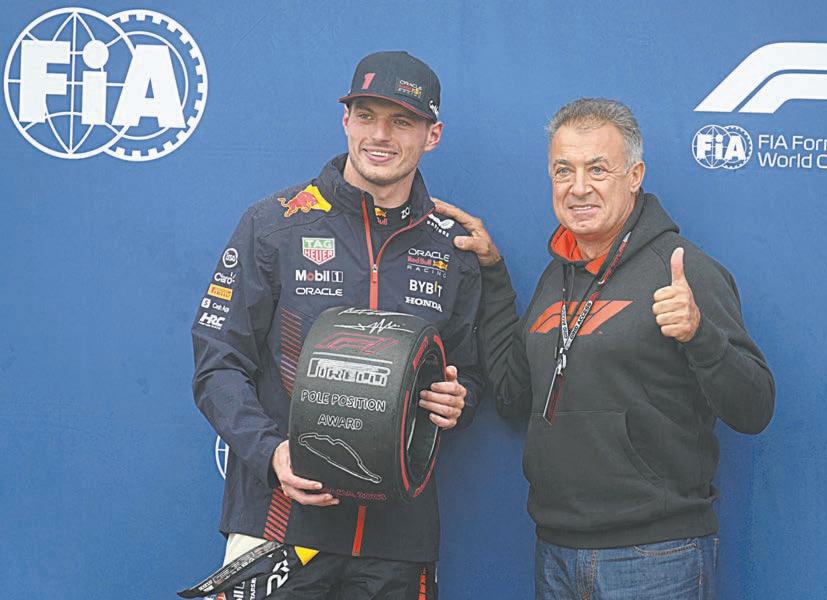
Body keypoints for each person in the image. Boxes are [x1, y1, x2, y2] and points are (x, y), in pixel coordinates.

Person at [434, 98, 774, 599]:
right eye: (563, 170)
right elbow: (511, 395)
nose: (578, 187)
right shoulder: (556, 279)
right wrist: (493, 274)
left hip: (655, 557)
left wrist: (700, 334)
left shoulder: (683, 270)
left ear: (634, 176)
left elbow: (755, 408)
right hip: (556, 550)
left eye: (598, 169)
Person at [187, 51, 483, 600]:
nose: (380, 135)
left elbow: (470, 374)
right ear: (346, 120)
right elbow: (218, 364)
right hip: (279, 527)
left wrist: (457, 400)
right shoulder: (274, 224)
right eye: (366, 115)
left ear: (432, 135)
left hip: (398, 543)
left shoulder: (452, 249)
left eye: (402, 121)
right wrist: (271, 452)